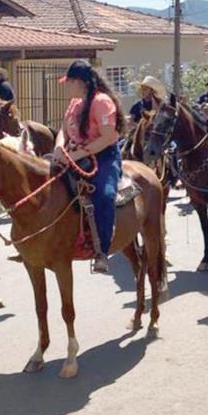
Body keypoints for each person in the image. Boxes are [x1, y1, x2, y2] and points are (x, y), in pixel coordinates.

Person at [54, 60, 126, 273]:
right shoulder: (76, 103)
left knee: (104, 194)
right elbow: (63, 130)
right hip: (74, 155)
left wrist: (74, 155)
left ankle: (102, 250)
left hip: (103, 156)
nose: (67, 86)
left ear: (82, 82)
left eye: (70, 82)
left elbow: (108, 137)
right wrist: (59, 147)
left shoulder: (102, 102)